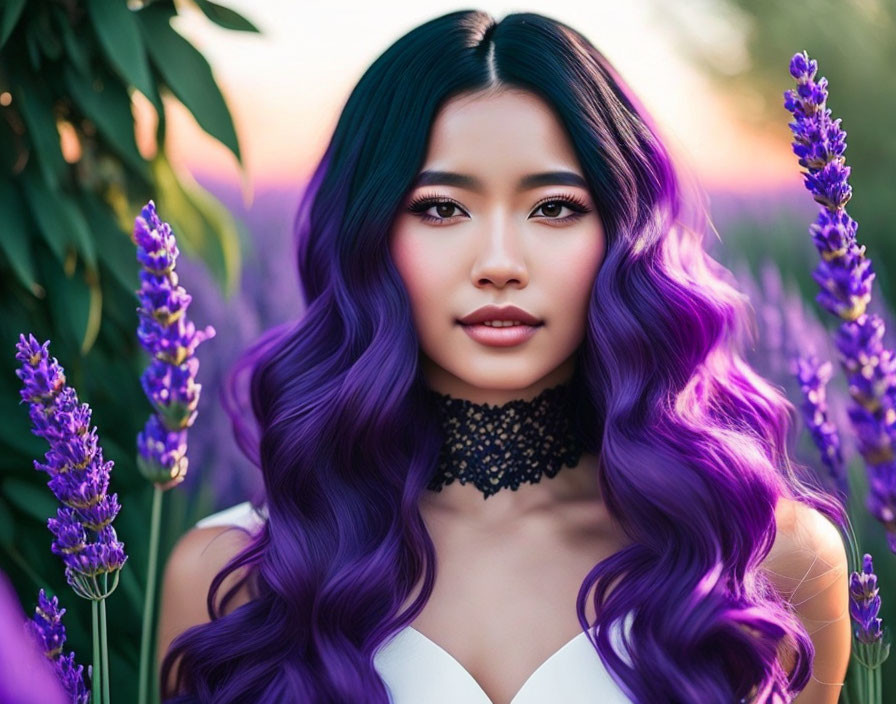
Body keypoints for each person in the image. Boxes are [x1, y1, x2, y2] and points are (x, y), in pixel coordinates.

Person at [156, 10, 852, 703]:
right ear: (365, 237)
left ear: (624, 232)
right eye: (440, 208)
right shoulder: (238, 579)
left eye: (553, 208)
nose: (498, 263)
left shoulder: (762, 565)